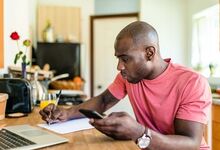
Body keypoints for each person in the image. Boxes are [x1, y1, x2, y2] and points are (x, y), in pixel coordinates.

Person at [40, 21, 211, 150]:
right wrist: (66, 113)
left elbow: (190, 143)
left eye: (125, 58)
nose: (119, 66)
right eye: (118, 59)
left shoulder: (192, 83)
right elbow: (103, 101)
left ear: (149, 53)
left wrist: (138, 132)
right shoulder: (129, 76)